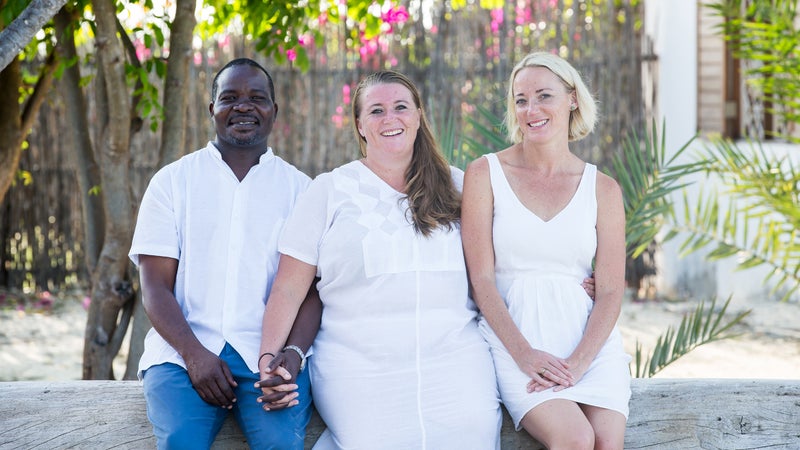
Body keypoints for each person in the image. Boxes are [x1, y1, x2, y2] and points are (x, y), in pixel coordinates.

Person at [257, 70, 502, 449]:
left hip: (456, 364)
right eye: (376, 110)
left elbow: (503, 262)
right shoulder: (329, 190)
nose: (390, 118)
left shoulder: (459, 186)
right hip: (360, 370)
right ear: (360, 125)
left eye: (401, 107)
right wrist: (269, 360)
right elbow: (289, 288)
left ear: (418, 116)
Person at [128, 58, 320, 450]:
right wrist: (194, 355)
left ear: (274, 111)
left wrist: (293, 356)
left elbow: (313, 290)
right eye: (229, 97)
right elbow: (154, 287)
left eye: (257, 98)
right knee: (182, 442)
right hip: (181, 356)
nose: (243, 107)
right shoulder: (172, 183)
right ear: (211, 109)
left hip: (269, 358)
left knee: (282, 446)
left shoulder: (302, 191)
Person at [461, 51, 632, 450]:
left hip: (588, 341)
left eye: (544, 96)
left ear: (572, 98)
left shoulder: (603, 189)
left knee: (607, 442)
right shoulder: (484, 174)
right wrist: (524, 355)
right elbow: (481, 280)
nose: (531, 110)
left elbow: (609, 290)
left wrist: (579, 362)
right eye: (521, 100)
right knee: (574, 438)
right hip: (514, 333)